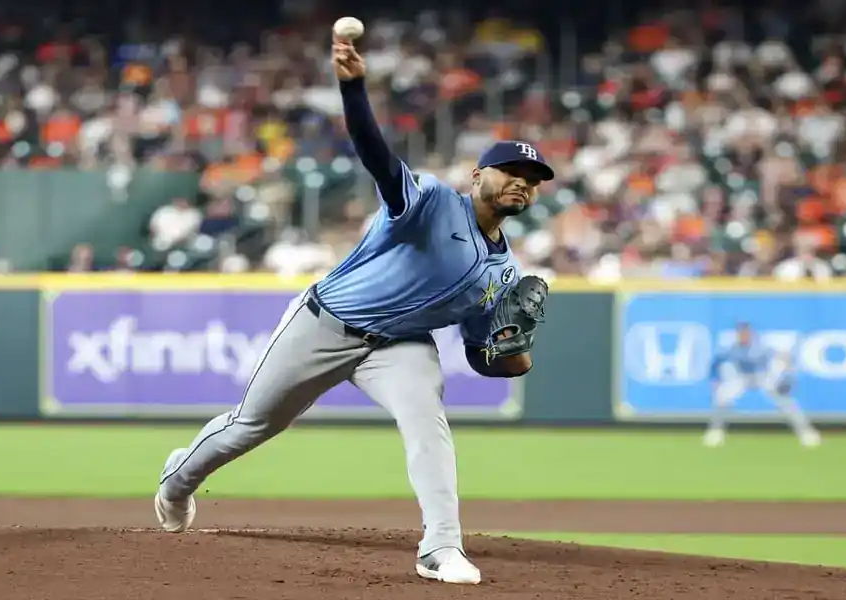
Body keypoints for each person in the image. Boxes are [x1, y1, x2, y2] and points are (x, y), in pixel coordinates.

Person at [152, 31, 554, 585]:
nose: (522, 183)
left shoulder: (504, 274)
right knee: (251, 426)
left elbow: (486, 357)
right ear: (478, 175)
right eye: (511, 170)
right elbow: (376, 156)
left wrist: (517, 353)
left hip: (400, 346)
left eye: (532, 181)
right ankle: (178, 479)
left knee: (426, 422)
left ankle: (440, 547)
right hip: (326, 323)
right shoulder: (433, 202)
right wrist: (354, 87)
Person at [704, 322, 822, 448]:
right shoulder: (733, 348)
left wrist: (786, 376)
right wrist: (715, 380)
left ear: (750, 334)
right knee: (722, 396)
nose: (743, 336)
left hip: (762, 376)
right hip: (742, 377)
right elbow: (716, 363)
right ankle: (715, 432)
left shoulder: (760, 347)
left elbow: (782, 357)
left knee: (784, 400)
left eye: (745, 333)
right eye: (740, 333)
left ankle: (806, 432)